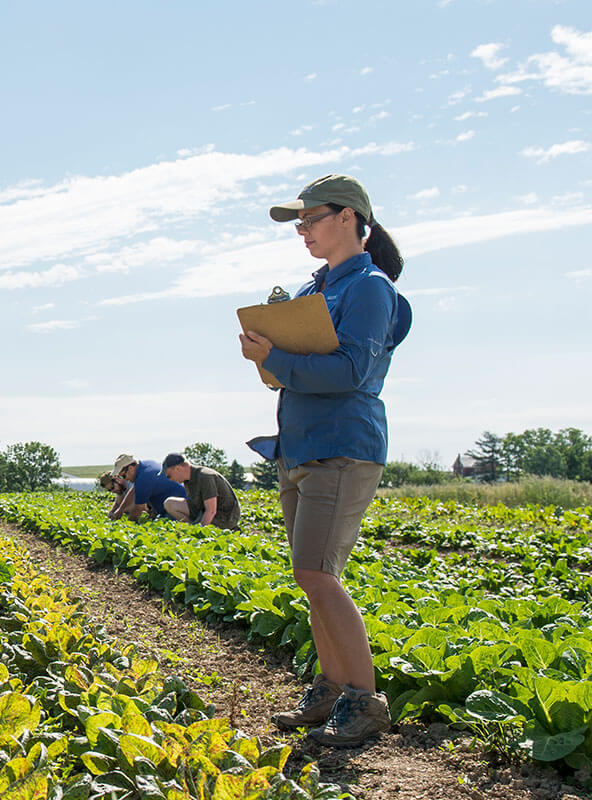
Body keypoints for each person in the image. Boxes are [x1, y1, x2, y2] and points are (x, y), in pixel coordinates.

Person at [240, 174, 412, 747]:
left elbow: (352, 373)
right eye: (299, 223)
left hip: (342, 444)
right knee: (314, 579)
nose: (302, 231)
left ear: (347, 218)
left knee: (316, 574)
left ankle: (365, 701)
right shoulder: (319, 286)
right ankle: (332, 689)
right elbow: (303, 368)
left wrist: (280, 359)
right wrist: (269, 358)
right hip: (303, 443)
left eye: (309, 219)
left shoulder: (369, 287)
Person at [161, 452, 241, 529]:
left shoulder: (205, 476)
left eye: (169, 476)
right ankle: (192, 527)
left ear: (177, 469)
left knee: (202, 526)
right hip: (202, 512)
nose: (170, 479)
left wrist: (200, 532)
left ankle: (199, 530)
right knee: (170, 503)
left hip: (224, 518)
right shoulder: (187, 480)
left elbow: (211, 511)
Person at [105, 453, 186, 522]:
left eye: (123, 476)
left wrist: (129, 525)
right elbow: (133, 491)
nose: (125, 479)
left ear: (131, 468)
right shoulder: (145, 465)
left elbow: (138, 509)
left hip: (178, 510)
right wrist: (120, 510)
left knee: (163, 526)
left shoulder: (143, 478)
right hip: (181, 504)